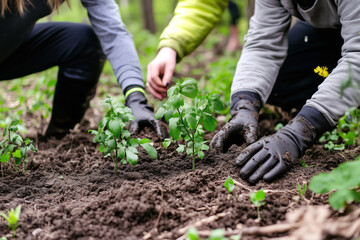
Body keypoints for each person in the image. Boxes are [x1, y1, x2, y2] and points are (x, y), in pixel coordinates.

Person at [147, 0, 360, 184]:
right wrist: (244, 105)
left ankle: (345, 95)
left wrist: (300, 132)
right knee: (279, 83)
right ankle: (342, 91)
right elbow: (263, 45)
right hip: (332, 31)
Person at [0, 0, 166, 139]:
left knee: (83, 42)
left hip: (10, 50)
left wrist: (136, 98)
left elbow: (113, 33)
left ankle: (58, 140)